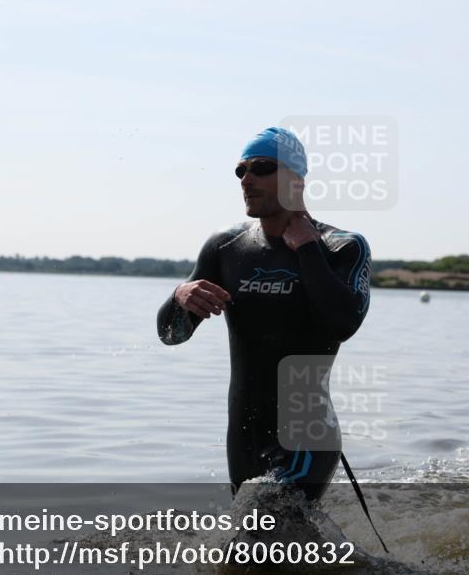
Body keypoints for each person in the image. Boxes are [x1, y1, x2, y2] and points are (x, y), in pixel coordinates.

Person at [156, 127, 371, 502]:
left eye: (262, 167)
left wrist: (307, 249)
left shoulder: (341, 247)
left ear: (296, 181)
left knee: (259, 531)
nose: (247, 179)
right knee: (251, 552)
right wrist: (180, 296)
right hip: (242, 434)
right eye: (241, 171)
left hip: (306, 432)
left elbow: (343, 323)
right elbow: (171, 334)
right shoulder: (225, 246)